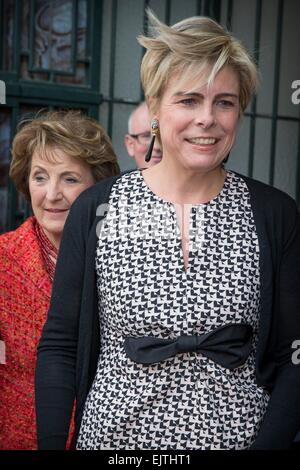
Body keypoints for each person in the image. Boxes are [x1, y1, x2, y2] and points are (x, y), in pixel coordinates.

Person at [35, 11, 300, 450]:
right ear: (155, 108)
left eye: (225, 102)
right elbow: (61, 345)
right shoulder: (97, 208)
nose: (207, 119)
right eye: (189, 100)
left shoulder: (273, 214)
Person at [0, 110, 120, 450]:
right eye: (40, 177)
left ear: (98, 188)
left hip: (107, 439)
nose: (52, 194)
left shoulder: (121, 260)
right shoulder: (3, 260)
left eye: (69, 179)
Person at [124, 101, 162, 168]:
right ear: (130, 145)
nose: (156, 147)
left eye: (161, 136)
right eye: (146, 136)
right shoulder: (121, 179)